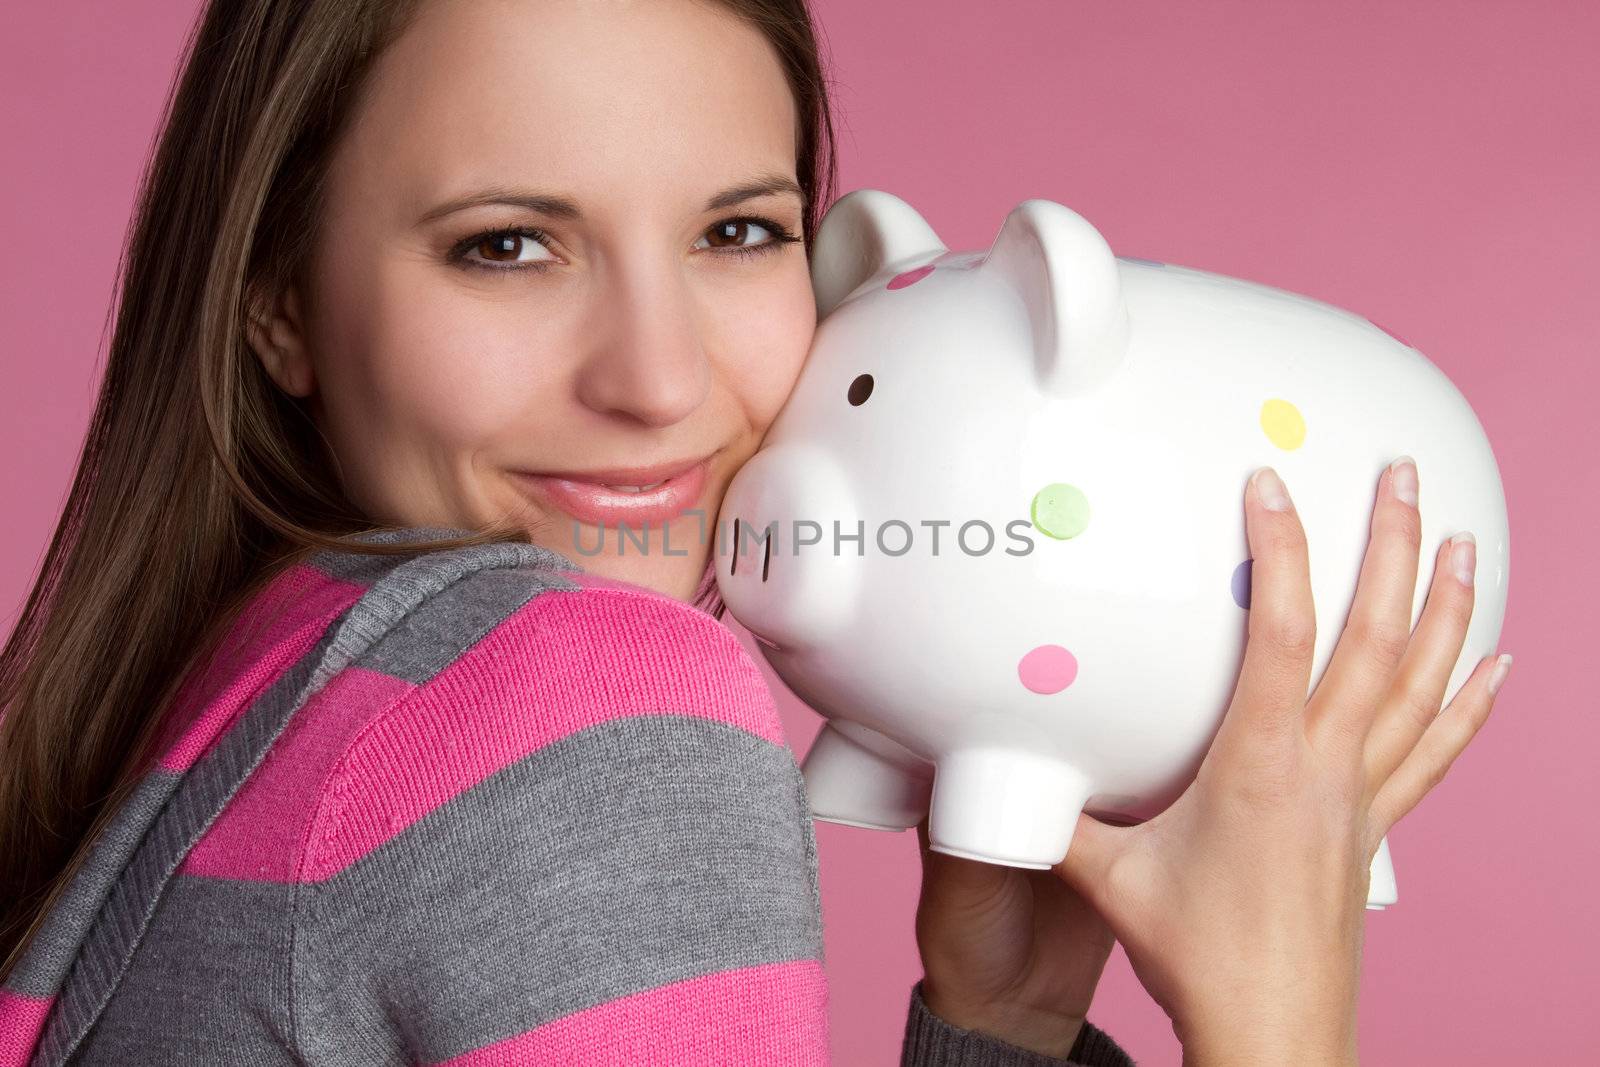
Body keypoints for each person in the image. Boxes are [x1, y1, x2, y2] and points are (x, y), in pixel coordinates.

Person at [0, 0, 1510, 1064]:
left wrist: (1000, 1026)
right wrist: (1282, 1030)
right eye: (507, 246)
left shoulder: (270, 671)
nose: (658, 383)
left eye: (736, 233)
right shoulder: (589, 694)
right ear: (278, 304)